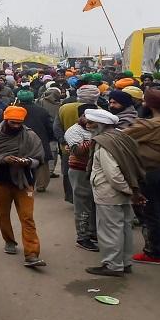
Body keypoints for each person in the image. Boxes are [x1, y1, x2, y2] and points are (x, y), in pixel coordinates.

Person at [0, 105, 46, 268]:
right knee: (3, 214)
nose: (16, 126)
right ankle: (9, 241)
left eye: (19, 123)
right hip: (1, 181)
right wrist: (4, 159)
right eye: (12, 123)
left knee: (27, 217)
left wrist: (27, 161)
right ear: (5, 120)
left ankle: (32, 254)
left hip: (24, 182)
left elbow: (39, 158)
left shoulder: (30, 135)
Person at [83, 110, 146, 277]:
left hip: (109, 193)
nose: (88, 126)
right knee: (124, 228)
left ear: (101, 125)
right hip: (124, 192)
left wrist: (130, 191)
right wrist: (132, 191)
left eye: (91, 123)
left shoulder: (104, 143)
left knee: (110, 230)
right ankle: (125, 263)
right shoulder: (121, 137)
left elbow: (114, 175)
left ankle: (112, 265)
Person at [124, 89, 160, 264]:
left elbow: (122, 136)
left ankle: (153, 252)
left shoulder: (148, 126)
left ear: (148, 105)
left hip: (150, 173)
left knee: (150, 212)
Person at [66, 104, 99, 251]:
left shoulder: (96, 129)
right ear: (81, 116)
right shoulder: (74, 131)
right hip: (80, 171)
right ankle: (82, 237)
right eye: (88, 117)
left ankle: (92, 232)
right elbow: (78, 151)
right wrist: (97, 140)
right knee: (82, 205)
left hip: (95, 170)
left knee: (93, 204)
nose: (92, 120)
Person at [14, 90, 54, 192]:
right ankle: (41, 185)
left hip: (19, 139)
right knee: (42, 162)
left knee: (21, 160)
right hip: (40, 139)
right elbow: (49, 127)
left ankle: (21, 182)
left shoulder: (14, 110)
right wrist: (50, 138)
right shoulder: (42, 111)